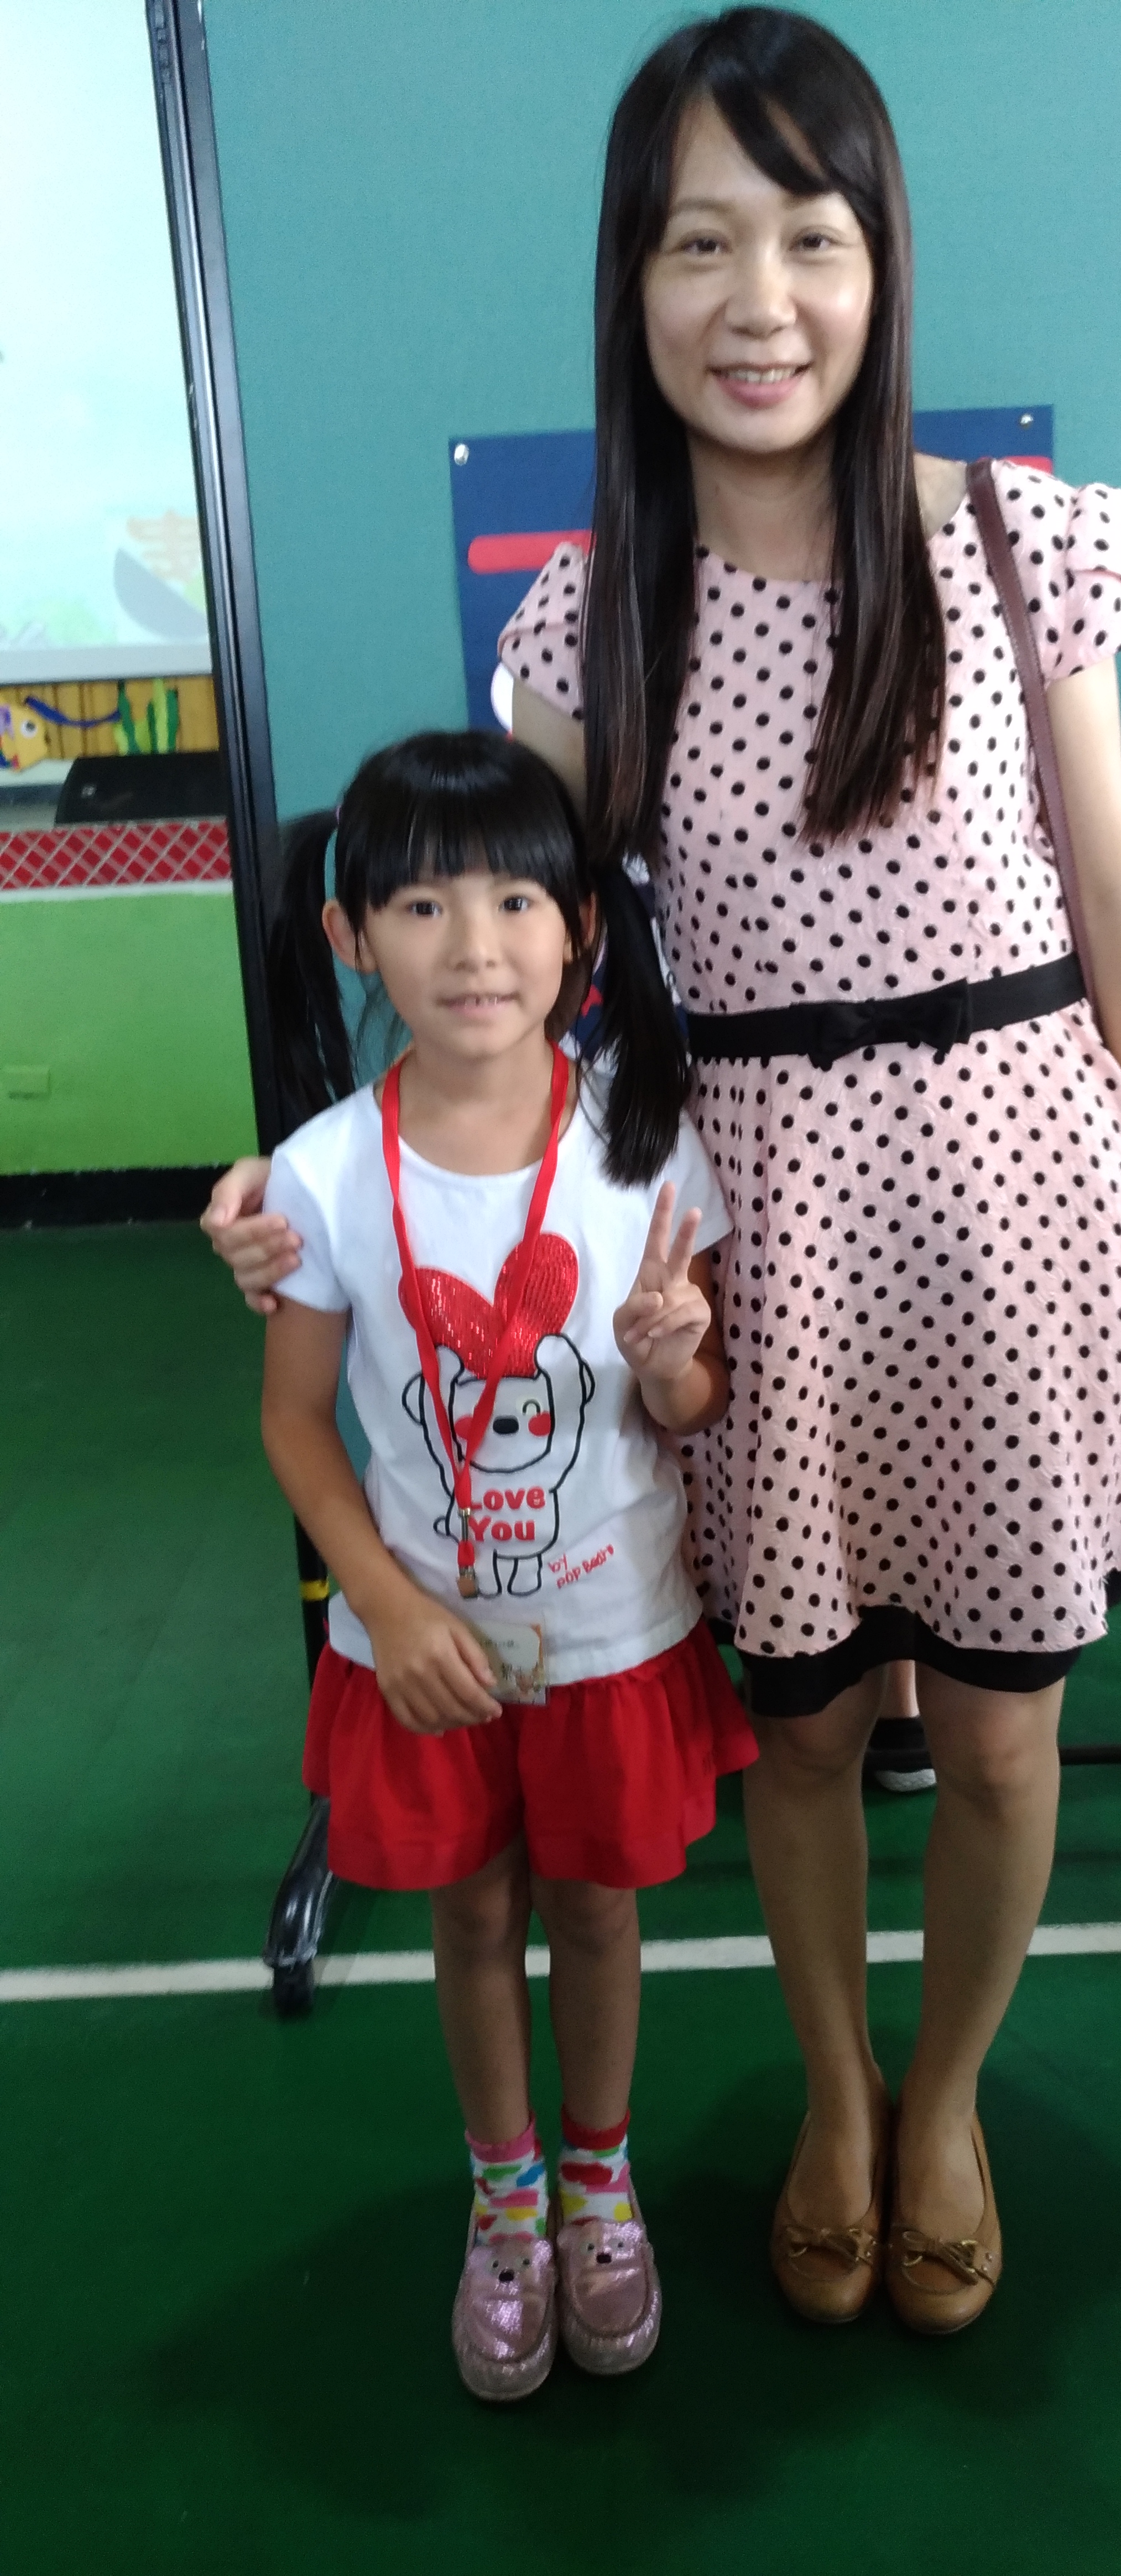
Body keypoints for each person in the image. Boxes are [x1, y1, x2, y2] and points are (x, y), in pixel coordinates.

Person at [206, 7, 1121, 2339]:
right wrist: (326, 1176)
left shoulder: (1022, 542)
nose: (758, 301)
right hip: (745, 1232)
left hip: (1014, 1196)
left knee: (998, 1726)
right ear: (631, 280)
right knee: (799, 1724)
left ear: (881, 266)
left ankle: (945, 2102)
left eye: (810, 237)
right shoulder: (592, 613)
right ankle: (837, 2098)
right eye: (697, 243)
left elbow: (1114, 895)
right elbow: (506, 967)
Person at [255, 726, 756, 2401]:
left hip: (611, 1635)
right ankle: (508, 2199)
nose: (473, 947)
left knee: (598, 1915)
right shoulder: (326, 1171)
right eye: (420, 905)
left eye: (516, 902)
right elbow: (297, 1425)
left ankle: (601, 2182)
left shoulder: (643, 1144)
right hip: (427, 1652)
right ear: (353, 936)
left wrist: (671, 1358)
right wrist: (385, 1608)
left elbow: (693, 1402)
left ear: (581, 929)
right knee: (472, 1918)